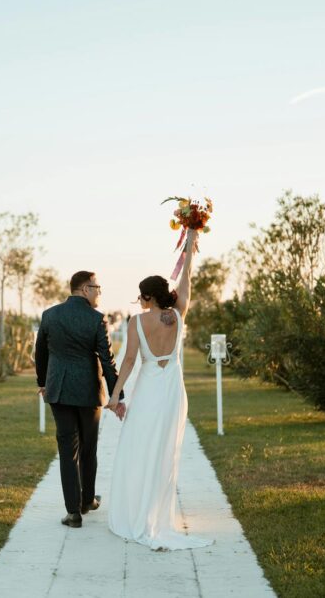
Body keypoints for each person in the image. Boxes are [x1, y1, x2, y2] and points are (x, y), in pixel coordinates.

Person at [105, 228, 213, 550]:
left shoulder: (138, 321)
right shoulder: (177, 315)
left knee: (140, 449)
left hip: (150, 389)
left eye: (140, 296)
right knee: (165, 451)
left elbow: (127, 361)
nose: (139, 301)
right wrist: (191, 243)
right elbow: (187, 278)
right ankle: (157, 515)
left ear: (147, 297)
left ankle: (139, 513)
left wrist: (114, 396)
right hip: (173, 393)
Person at [35, 271, 124, 528]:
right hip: (88, 391)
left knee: (67, 450)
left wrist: (42, 382)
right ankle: (87, 501)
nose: (99, 292)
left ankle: (73, 513)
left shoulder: (50, 315)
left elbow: (40, 352)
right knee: (88, 448)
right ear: (85, 289)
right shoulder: (96, 319)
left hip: (59, 391)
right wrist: (117, 393)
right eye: (97, 287)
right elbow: (107, 360)